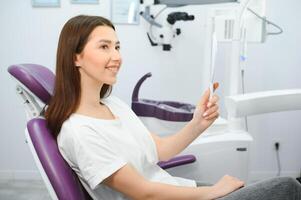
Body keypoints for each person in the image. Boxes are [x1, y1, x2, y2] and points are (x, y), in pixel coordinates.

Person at [45, 15, 301, 200]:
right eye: (104, 47)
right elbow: (143, 193)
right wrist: (210, 192)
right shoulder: (79, 132)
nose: (117, 56)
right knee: (287, 187)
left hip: (175, 188)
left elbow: (160, 150)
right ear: (74, 57)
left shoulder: (113, 105)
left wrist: (198, 123)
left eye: (117, 46)